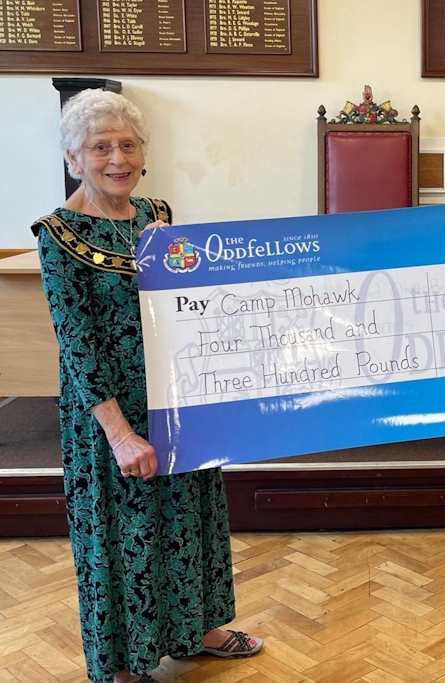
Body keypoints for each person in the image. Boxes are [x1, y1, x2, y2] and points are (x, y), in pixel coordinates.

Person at [32, 89, 263, 683]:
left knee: (191, 517)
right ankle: (124, 663)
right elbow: (77, 346)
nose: (117, 157)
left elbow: (187, 306)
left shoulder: (157, 216)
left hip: (176, 402)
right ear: (73, 158)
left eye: (128, 144)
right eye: (101, 146)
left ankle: (199, 630)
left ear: (144, 153)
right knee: (124, 531)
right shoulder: (57, 235)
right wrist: (120, 434)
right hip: (111, 414)